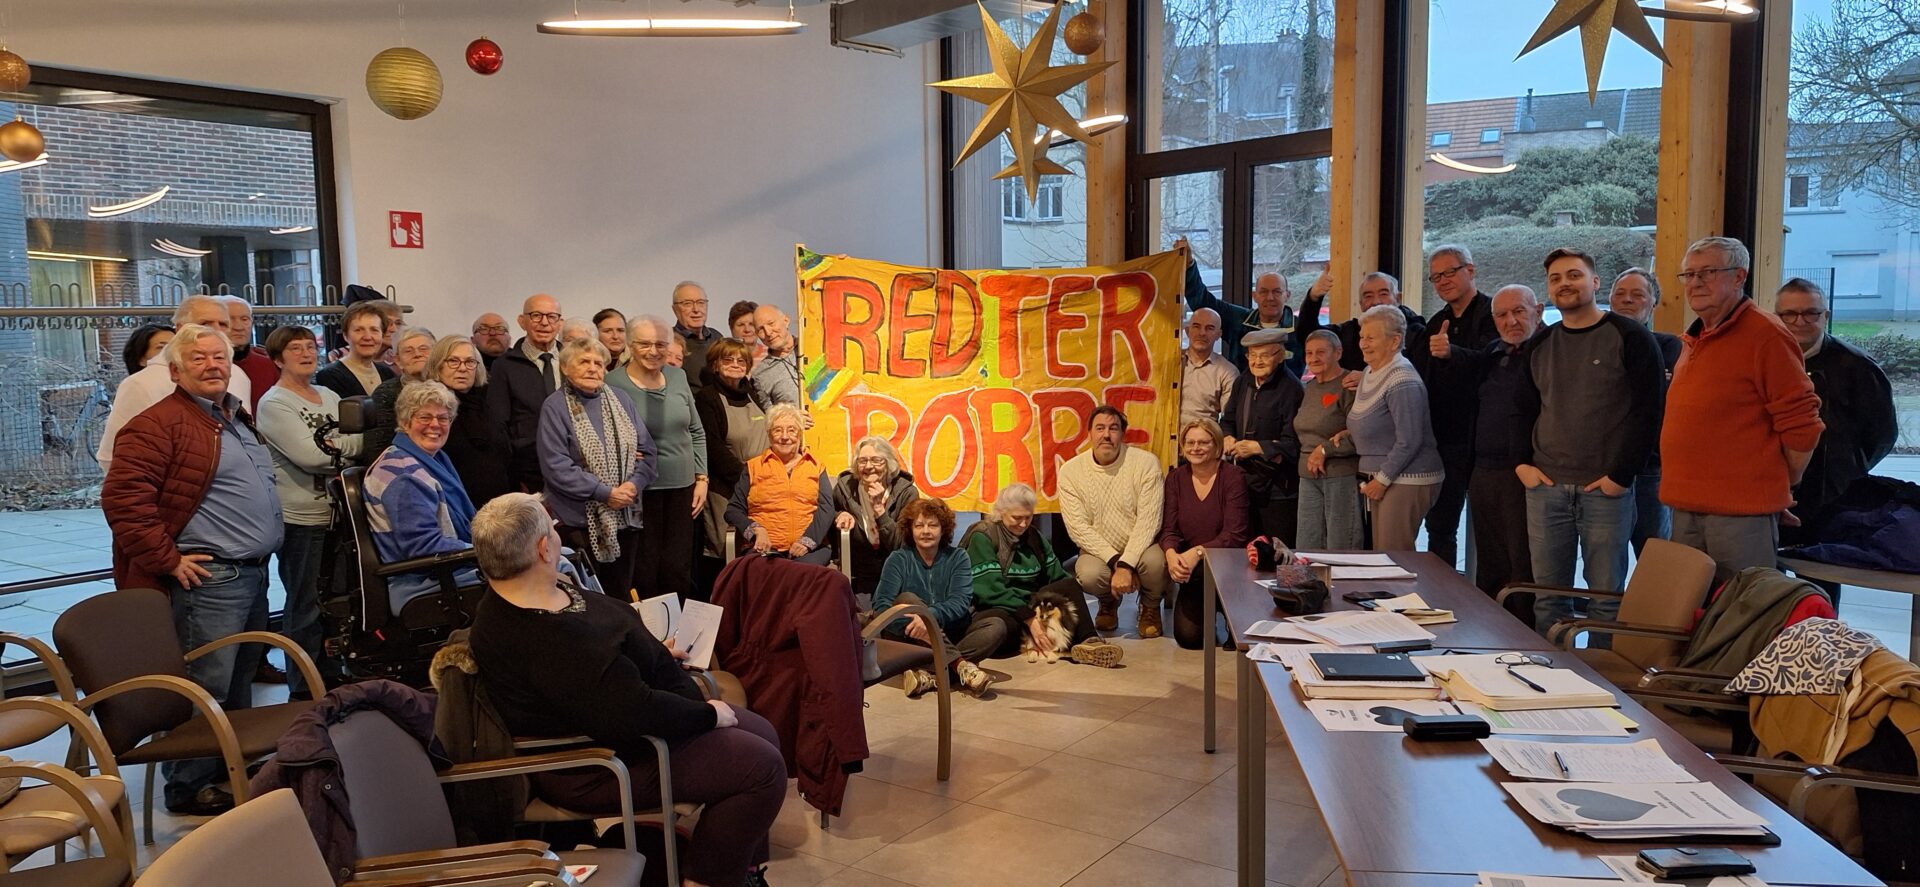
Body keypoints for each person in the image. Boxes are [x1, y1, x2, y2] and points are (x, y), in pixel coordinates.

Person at [467, 492, 784, 887]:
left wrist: (655, 653)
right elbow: (627, 711)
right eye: (553, 528)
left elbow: (603, 663)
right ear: (544, 548)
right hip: (595, 763)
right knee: (761, 768)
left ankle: (743, 870)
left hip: (631, 730)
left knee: (762, 733)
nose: (558, 533)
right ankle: (707, 880)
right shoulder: (538, 636)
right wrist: (706, 714)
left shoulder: (543, 591)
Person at [102, 324, 282, 815]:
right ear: (175, 371)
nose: (212, 365)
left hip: (252, 572)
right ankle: (188, 785)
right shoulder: (156, 423)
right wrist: (168, 559)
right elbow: (123, 501)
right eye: (198, 358)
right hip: (210, 579)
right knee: (208, 685)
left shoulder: (233, 416)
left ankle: (229, 769)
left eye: (218, 357)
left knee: (240, 681)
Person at [1513, 249, 1664, 633]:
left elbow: (1648, 412)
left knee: (1606, 599)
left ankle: (1602, 670)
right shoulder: (1539, 344)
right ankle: (1551, 668)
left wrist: (1621, 476)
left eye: (1574, 275)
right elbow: (1522, 411)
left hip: (1605, 491)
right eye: (1556, 278)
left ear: (1595, 282)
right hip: (1546, 489)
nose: (1565, 283)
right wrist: (1523, 466)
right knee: (1548, 598)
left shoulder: (1631, 337)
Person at [1662, 237, 1825, 575]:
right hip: (1685, 505)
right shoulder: (1693, 338)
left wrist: (1779, 486)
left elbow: (1802, 426)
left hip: (1740, 513)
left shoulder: (1766, 335)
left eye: (1708, 272)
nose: (1695, 282)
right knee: (1688, 605)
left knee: (1743, 603)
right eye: (1689, 274)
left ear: (1739, 277)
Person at [255, 326, 362, 700]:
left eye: (310, 347)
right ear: (278, 359)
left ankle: (331, 680)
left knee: (335, 604)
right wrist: (342, 446)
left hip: (340, 514)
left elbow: (360, 438)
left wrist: (337, 446)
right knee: (305, 606)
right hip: (301, 520)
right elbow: (311, 456)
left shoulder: (329, 395)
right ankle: (303, 691)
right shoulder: (275, 404)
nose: (306, 353)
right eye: (295, 349)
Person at [1429, 285, 1546, 601]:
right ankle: (1491, 623)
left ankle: (1522, 627)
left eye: (1518, 311)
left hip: (1526, 471)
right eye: (1502, 315)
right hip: (1483, 470)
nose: (1511, 321)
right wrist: (1449, 353)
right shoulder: (1495, 352)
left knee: (1522, 560)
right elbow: (1469, 367)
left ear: (1538, 311)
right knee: (1490, 560)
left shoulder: (1550, 351)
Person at [538, 339, 660, 599]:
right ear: (565, 368)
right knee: (589, 598)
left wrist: (632, 485)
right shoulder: (555, 406)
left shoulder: (621, 399)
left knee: (620, 595)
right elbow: (556, 466)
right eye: (584, 362)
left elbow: (648, 452)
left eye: (598, 363)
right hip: (578, 522)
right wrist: (605, 493)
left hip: (626, 515)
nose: (593, 368)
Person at [1776, 277, 1898, 535]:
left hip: (1835, 495)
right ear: (1777, 317)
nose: (1799, 321)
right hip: (1775, 492)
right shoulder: (1763, 362)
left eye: (1811, 313)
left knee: (1825, 557)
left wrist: (1847, 470)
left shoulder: (1858, 367)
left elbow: (1882, 434)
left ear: (1826, 316)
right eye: (1789, 314)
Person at [958, 483, 1122, 667]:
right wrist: (1029, 618)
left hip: (1032, 606)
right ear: (1001, 512)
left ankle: (1089, 641)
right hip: (998, 609)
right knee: (1000, 627)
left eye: (1028, 517)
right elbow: (991, 592)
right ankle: (1052, 642)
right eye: (1016, 518)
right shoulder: (983, 536)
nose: (1023, 524)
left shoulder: (1033, 535)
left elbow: (1058, 576)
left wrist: (1056, 610)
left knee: (1070, 585)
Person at [1408, 244, 1498, 568]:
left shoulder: (1493, 314)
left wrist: (1452, 353)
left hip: (1486, 439)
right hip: (1444, 441)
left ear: (1470, 271)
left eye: (1450, 272)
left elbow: (1494, 363)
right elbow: (1418, 376)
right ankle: (1440, 589)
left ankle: (1488, 594)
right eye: (1436, 277)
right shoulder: (1437, 322)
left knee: (1491, 529)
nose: (1443, 281)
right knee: (1440, 525)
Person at [606, 315, 707, 600]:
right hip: (639, 490)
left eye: (661, 345)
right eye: (645, 344)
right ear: (630, 345)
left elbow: (696, 430)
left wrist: (702, 478)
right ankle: (651, 627)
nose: (653, 351)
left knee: (678, 568)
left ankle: (679, 626)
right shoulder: (612, 383)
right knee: (645, 569)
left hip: (683, 487)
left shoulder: (677, 376)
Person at [365, 381, 483, 617]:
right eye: (424, 417)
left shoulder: (432, 459)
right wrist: (489, 551)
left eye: (443, 418)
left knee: (550, 555)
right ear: (404, 422)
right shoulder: (403, 474)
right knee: (549, 568)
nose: (435, 425)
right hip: (423, 581)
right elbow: (423, 547)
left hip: (448, 569)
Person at [97, 295, 252, 475]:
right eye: (205, 323)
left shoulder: (238, 375)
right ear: (180, 328)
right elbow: (113, 458)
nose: (216, 330)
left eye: (223, 324)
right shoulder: (140, 384)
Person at [1059, 405, 1170, 638]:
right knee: (1088, 573)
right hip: (1099, 550)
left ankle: (1150, 606)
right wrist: (1116, 562)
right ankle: (1108, 601)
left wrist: (1127, 564)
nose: (1106, 435)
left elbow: (1149, 522)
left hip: (1142, 545)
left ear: (1123, 433)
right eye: (1100, 428)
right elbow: (1078, 528)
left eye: (1113, 428)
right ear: (1089, 434)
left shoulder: (1146, 463)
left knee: (1157, 563)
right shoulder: (1070, 471)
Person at [872, 498, 997, 697]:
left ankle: (928, 674)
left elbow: (960, 602)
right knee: (908, 599)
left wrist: (928, 619)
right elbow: (881, 606)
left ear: (943, 529)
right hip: (909, 638)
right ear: (910, 530)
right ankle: (960, 666)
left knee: (995, 627)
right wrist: (916, 624)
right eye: (919, 525)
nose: (926, 531)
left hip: (952, 630)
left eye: (933, 525)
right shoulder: (898, 559)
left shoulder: (959, 557)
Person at [1351, 305, 1445, 551]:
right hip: (1382, 478)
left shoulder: (1402, 379)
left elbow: (1410, 440)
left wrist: (1382, 480)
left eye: (1371, 338)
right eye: (1362, 337)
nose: (1363, 344)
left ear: (1394, 341)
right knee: (1382, 554)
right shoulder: (1370, 372)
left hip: (1406, 478)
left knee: (1394, 556)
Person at [1608, 268, 1683, 554]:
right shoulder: (1593, 346)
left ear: (1653, 304)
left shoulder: (1669, 345)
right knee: (1604, 560)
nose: (1627, 300)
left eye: (1638, 294)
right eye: (1620, 294)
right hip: (1601, 467)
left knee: (1654, 554)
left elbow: (1664, 397)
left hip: (1649, 469)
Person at [1161, 419, 1249, 650]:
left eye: (1203, 442)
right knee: (1189, 638)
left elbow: (1235, 535)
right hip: (1193, 571)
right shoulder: (1175, 478)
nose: (1195, 448)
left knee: (1239, 639)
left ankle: (1229, 609)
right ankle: (1208, 610)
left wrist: (1198, 552)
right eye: (1190, 442)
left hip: (1228, 568)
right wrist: (1171, 555)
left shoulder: (1233, 476)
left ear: (1217, 445)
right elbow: (1169, 529)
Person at [1220, 328, 1304, 545]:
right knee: (1245, 548)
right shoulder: (1243, 381)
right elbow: (1228, 420)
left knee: (1276, 550)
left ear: (1280, 355)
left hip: (1278, 489)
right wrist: (1227, 436)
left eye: (1265, 355)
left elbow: (1295, 443)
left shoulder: (1292, 388)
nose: (1257, 361)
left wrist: (1258, 447)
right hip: (1244, 482)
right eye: (1253, 355)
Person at [694, 339, 769, 572]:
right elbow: (712, 447)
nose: (735, 364)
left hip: (763, 485)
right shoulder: (707, 398)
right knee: (728, 555)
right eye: (728, 359)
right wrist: (746, 479)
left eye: (741, 360)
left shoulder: (753, 392)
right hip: (726, 488)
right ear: (715, 364)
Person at [725, 404, 832, 565]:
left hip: (809, 549)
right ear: (769, 435)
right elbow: (733, 510)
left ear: (800, 434)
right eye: (777, 430)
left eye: (791, 430)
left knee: (802, 572)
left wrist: (807, 541)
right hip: (764, 548)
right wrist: (756, 530)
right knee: (766, 571)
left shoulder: (816, 466)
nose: (785, 436)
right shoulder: (753, 467)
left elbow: (826, 509)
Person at [488, 293, 566, 492]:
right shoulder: (504, 365)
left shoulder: (574, 360)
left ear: (560, 323)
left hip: (573, 466)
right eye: (536, 315)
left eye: (551, 317)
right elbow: (498, 424)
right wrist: (515, 473)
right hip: (528, 470)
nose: (544, 323)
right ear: (522, 321)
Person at [1180, 243, 1299, 372]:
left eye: (1277, 292)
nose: (1270, 297)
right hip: (1241, 385)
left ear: (1287, 295)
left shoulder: (1300, 327)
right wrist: (1189, 265)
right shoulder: (1238, 320)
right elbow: (1202, 301)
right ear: (1254, 296)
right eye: (1263, 292)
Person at [428, 334, 515, 508]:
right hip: (456, 507)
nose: (463, 368)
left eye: (469, 362)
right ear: (438, 365)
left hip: (500, 506)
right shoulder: (430, 407)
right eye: (453, 361)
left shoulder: (487, 403)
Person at [1294, 330, 1362, 549]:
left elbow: (1362, 433)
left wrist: (1325, 449)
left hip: (1339, 475)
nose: (1314, 358)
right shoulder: (1310, 387)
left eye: (1321, 352)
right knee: (1307, 545)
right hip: (1307, 477)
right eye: (1309, 353)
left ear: (1338, 353)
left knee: (1341, 546)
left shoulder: (1350, 385)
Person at [831, 436, 920, 600]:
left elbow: (901, 544)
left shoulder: (907, 493)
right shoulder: (845, 488)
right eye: (862, 461)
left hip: (896, 573)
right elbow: (830, 516)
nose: (868, 466)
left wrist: (879, 509)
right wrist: (840, 514)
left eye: (876, 460)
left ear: (888, 463)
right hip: (859, 574)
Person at [1297, 271, 1428, 372]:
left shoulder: (1416, 333)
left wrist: (1368, 379)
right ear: (1361, 304)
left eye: (1383, 294)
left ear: (1398, 298)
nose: (1376, 301)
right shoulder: (1349, 332)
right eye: (1368, 296)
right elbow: (1310, 335)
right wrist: (1313, 298)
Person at [359, 326, 437, 463]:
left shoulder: (449, 388)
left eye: (424, 349)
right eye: (408, 351)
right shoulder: (386, 393)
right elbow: (378, 449)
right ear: (398, 361)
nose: (417, 354)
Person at [316, 300, 398, 399]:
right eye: (358, 330)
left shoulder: (387, 374)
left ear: (382, 335)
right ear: (345, 336)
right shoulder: (329, 376)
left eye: (374, 330)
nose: (367, 337)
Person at [1179, 307, 1237, 425]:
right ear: (1187, 331)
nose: (1202, 333)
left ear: (1219, 335)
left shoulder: (1228, 372)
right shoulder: (1171, 363)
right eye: (1196, 326)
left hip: (1204, 435)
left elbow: (1229, 421)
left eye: (1210, 328)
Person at [223, 296, 276, 414]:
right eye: (230, 319)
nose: (239, 327)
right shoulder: (208, 366)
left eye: (244, 319)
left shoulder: (269, 366)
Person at [751, 304, 804, 412]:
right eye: (760, 329)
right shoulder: (760, 375)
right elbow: (770, 418)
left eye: (771, 323)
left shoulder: (814, 347)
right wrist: (794, 417)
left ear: (786, 320)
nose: (768, 332)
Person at [672, 281, 725, 386]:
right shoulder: (669, 340)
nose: (696, 309)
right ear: (675, 309)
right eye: (687, 303)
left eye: (701, 303)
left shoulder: (717, 337)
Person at [327, 299, 402, 366]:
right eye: (388, 323)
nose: (394, 329)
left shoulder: (399, 358)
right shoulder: (337, 358)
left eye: (398, 323)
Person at [729, 300, 768, 364]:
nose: (747, 330)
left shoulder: (772, 355)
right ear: (731, 328)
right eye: (741, 325)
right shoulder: (722, 356)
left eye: (752, 324)